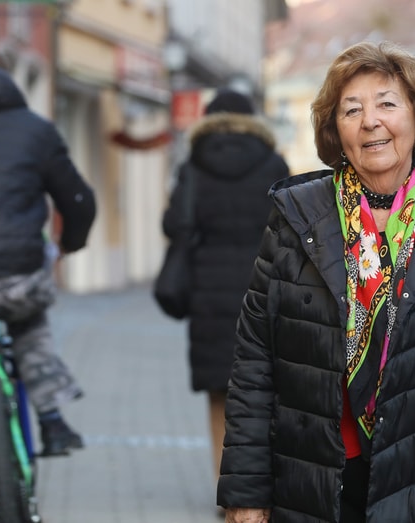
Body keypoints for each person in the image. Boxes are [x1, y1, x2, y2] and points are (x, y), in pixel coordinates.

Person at [216, 41, 415, 523]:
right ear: (336, 132)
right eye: (352, 110)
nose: (370, 121)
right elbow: (255, 359)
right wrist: (247, 492)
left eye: (387, 104)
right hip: (315, 485)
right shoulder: (298, 217)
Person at [0, 50, 96, 522]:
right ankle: (53, 418)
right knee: (29, 322)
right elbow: (78, 199)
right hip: (18, 275)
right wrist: (71, 243)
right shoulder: (35, 130)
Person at [161, 88, 289, 492]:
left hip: (209, 292)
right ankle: (265, 483)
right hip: (265, 288)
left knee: (220, 392)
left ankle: (228, 488)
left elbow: (175, 224)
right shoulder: (273, 163)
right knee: (267, 391)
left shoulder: (194, 165)